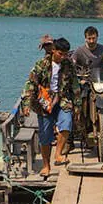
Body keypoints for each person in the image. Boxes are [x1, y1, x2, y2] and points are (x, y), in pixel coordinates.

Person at [21, 37, 79, 178]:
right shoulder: (41, 64)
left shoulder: (69, 64)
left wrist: (77, 105)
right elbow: (30, 84)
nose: (63, 57)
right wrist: (27, 104)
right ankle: (46, 165)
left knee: (67, 124)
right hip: (44, 101)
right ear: (53, 50)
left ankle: (58, 153)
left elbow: (75, 85)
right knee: (45, 135)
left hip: (62, 99)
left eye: (65, 54)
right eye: (60, 53)